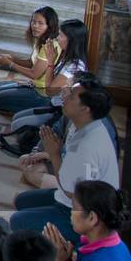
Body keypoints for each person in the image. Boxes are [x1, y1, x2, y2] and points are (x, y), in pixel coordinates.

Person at [11, 75, 120, 246]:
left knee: (18, 222)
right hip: (69, 196)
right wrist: (48, 152)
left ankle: (75, 242)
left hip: (85, 214)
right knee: (21, 201)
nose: (65, 96)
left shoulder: (89, 145)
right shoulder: (80, 123)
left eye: (71, 95)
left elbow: (72, 192)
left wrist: (54, 154)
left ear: (85, 108)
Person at [12, 19, 89, 133]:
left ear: (71, 40)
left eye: (61, 35)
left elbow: (49, 91)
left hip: (61, 112)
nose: (57, 38)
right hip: (53, 103)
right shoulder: (67, 56)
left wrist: (50, 62)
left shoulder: (74, 66)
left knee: (17, 126)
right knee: (16, 119)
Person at [0, 7, 61, 114]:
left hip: (43, 94)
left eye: (40, 23)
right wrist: (12, 58)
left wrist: (9, 64)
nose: (35, 26)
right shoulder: (40, 39)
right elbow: (31, 63)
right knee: (0, 90)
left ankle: (44, 109)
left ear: (50, 26)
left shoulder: (49, 46)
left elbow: (35, 74)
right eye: (33, 22)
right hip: (34, 86)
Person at [45, 180, 131, 261]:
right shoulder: (99, 244)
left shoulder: (104, 258)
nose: (71, 211)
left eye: (74, 207)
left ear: (92, 218)